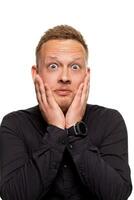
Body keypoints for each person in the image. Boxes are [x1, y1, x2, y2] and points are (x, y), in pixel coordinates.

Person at [0, 25, 132, 200]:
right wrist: (56, 129)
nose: (64, 77)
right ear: (36, 73)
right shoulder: (14, 124)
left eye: (75, 67)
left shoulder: (110, 121)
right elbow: (13, 196)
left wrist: (74, 129)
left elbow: (117, 194)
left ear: (87, 74)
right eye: (53, 66)